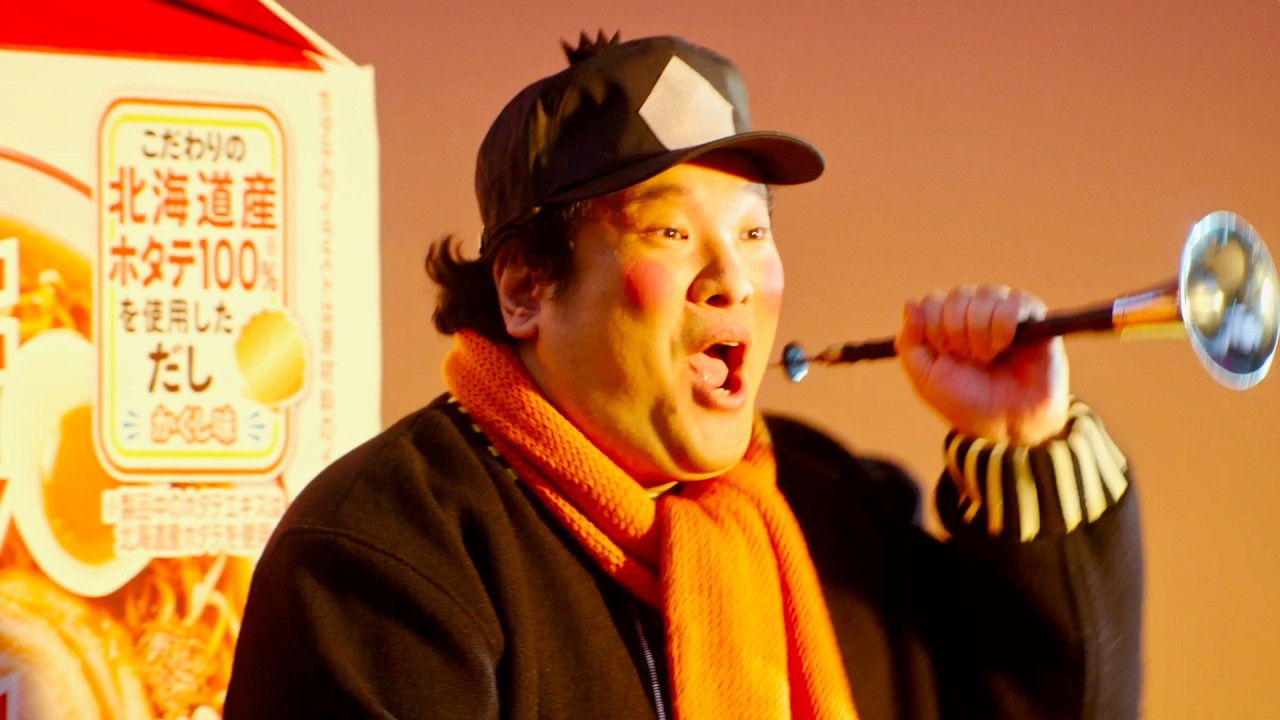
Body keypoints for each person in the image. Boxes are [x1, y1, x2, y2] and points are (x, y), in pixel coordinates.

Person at [224, 32, 1142, 719]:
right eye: (670, 231)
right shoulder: (390, 552)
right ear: (525, 288)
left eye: (753, 231)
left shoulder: (825, 512)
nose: (732, 277)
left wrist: (1023, 441)